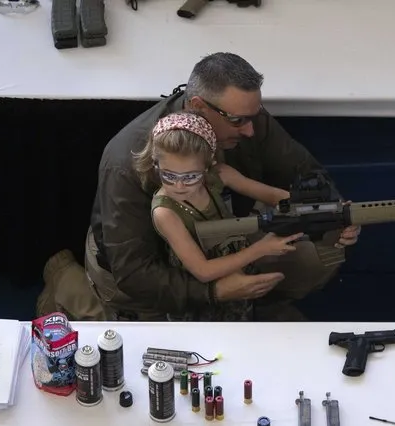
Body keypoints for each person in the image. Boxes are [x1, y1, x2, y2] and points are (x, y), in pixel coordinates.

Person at [36, 52, 361, 322]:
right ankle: (67, 285)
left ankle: (248, 303)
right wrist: (214, 292)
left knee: (318, 256)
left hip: (218, 236)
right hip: (149, 270)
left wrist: (331, 209)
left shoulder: (245, 117)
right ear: (198, 107)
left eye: (255, 115)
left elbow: (302, 171)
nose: (250, 130)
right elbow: (136, 274)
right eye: (238, 121)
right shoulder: (127, 161)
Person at [132, 111, 304, 320]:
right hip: (203, 303)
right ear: (155, 163)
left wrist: (326, 208)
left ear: (208, 166)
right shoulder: (165, 212)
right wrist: (260, 249)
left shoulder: (220, 175)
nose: (179, 185)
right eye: (168, 175)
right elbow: (203, 271)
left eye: (191, 176)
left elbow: (275, 196)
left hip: (238, 269)